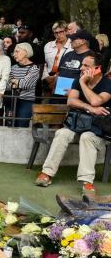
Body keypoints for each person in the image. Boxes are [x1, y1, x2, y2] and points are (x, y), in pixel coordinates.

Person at [35, 53, 111, 196]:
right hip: (77, 124)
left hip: (98, 131)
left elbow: (96, 101)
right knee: (62, 133)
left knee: (87, 137)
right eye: (82, 64)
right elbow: (71, 101)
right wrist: (90, 108)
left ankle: (87, 182)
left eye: (86, 66)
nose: (81, 68)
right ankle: (47, 173)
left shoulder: (107, 84)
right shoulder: (77, 80)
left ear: (98, 68)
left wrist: (83, 83)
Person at [55, 30, 94, 99]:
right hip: (58, 94)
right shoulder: (67, 54)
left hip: (76, 97)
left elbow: (92, 79)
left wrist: (75, 91)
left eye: (73, 39)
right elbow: (59, 73)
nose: (70, 41)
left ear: (83, 41)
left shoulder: (92, 56)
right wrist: (55, 90)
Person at [8, 43, 40, 127]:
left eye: (17, 51)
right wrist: (18, 82)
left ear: (26, 52)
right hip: (13, 100)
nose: (14, 54)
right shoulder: (13, 67)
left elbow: (26, 85)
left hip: (26, 101)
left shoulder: (34, 68)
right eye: (13, 52)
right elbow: (8, 84)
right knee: (10, 124)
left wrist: (14, 81)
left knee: (22, 125)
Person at [42, 21, 71, 95]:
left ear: (66, 31)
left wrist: (57, 78)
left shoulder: (72, 46)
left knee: (60, 100)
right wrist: (46, 77)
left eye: (61, 32)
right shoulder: (48, 45)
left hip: (65, 79)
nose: (58, 35)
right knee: (47, 103)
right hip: (48, 79)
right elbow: (44, 63)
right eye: (56, 33)